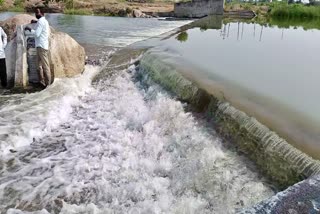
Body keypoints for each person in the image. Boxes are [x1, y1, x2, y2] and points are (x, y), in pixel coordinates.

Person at [25, 8, 51, 87]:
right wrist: (35, 22)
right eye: (35, 13)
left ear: (42, 13)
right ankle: (41, 81)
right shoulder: (44, 21)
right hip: (40, 46)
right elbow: (40, 25)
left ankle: (48, 84)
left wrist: (29, 29)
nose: (36, 14)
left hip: (42, 47)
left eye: (38, 13)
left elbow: (37, 34)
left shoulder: (41, 21)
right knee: (38, 65)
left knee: (45, 65)